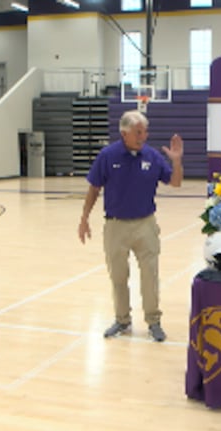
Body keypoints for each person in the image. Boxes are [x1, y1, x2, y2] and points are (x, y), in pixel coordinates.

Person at [78, 110, 183, 342]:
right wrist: (84, 219)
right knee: (118, 276)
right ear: (124, 133)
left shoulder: (153, 156)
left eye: (145, 131)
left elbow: (175, 182)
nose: (143, 136)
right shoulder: (107, 156)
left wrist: (176, 161)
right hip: (115, 226)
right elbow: (94, 188)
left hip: (146, 224)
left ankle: (153, 321)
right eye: (138, 132)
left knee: (149, 275)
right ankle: (122, 319)